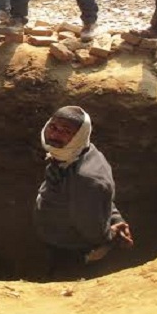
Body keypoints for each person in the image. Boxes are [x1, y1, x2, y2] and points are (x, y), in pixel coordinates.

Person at [34, 106, 134, 278]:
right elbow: (102, 199)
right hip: (58, 235)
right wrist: (117, 218)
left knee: (62, 284)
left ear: (79, 136)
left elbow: (92, 230)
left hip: (71, 249)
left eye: (66, 131)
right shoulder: (76, 151)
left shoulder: (85, 179)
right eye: (53, 127)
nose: (55, 135)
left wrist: (111, 234)